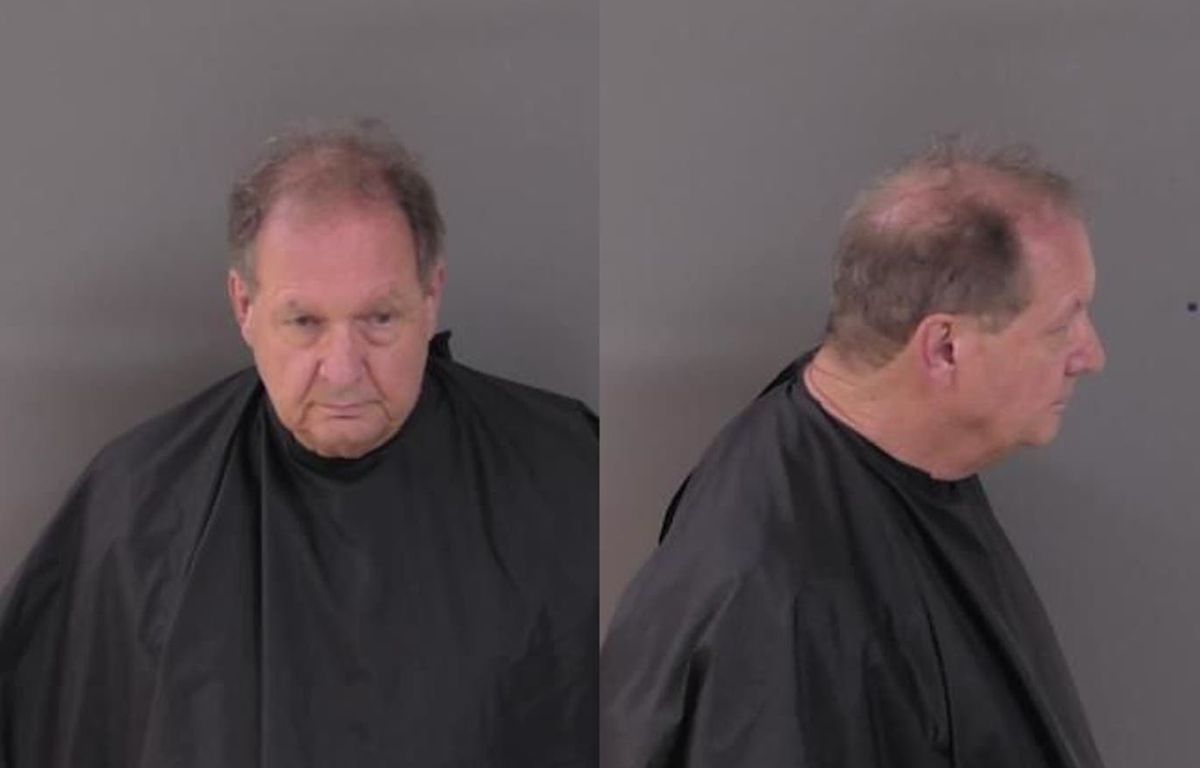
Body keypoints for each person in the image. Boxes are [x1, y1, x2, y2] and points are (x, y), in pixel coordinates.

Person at [0, 123, 597, 767]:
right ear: (245, 307)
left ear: (431, 296)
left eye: (379, 318)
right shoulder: (136, 510)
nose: (342, 370)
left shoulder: (565, 476)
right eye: (305, 321)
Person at [600, 143, 1108, 767]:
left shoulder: (897, 449)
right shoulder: (782, 612)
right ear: (945, 349)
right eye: (1061, 326)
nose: (1091, 355)